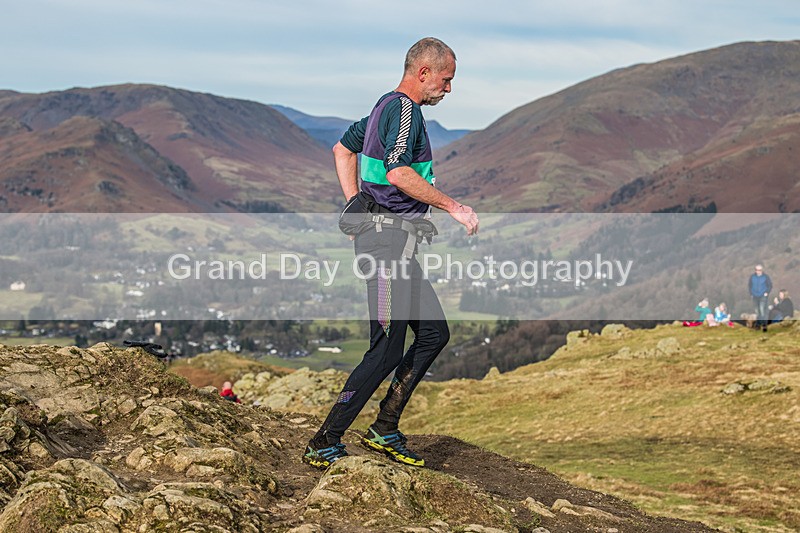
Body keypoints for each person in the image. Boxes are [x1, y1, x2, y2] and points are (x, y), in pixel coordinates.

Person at [303, 38, 479, 470]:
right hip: (384, 246)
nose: (449, 88)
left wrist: (354, 206)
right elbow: (398, 172)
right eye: (446, 79)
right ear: (424, 72)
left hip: (396, 244)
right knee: (385, 349)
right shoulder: (404, 111)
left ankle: (384, 427)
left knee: (434, 333)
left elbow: (342, 149)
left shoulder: (382, 108)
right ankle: (324, 440)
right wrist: (454, 207)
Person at [748, 264, 773, 332]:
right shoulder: (752, 277)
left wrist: (767, 292)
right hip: (755, 296)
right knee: (757, 311)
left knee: (762, 311)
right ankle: (758, 325)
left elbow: (770, 285)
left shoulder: (765, 277)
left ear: (762, 270)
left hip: (763, 296)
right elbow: (749, 285)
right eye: (757, 270)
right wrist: (751, 293)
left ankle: (764, 325)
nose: (758, 271)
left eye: (759, 270)